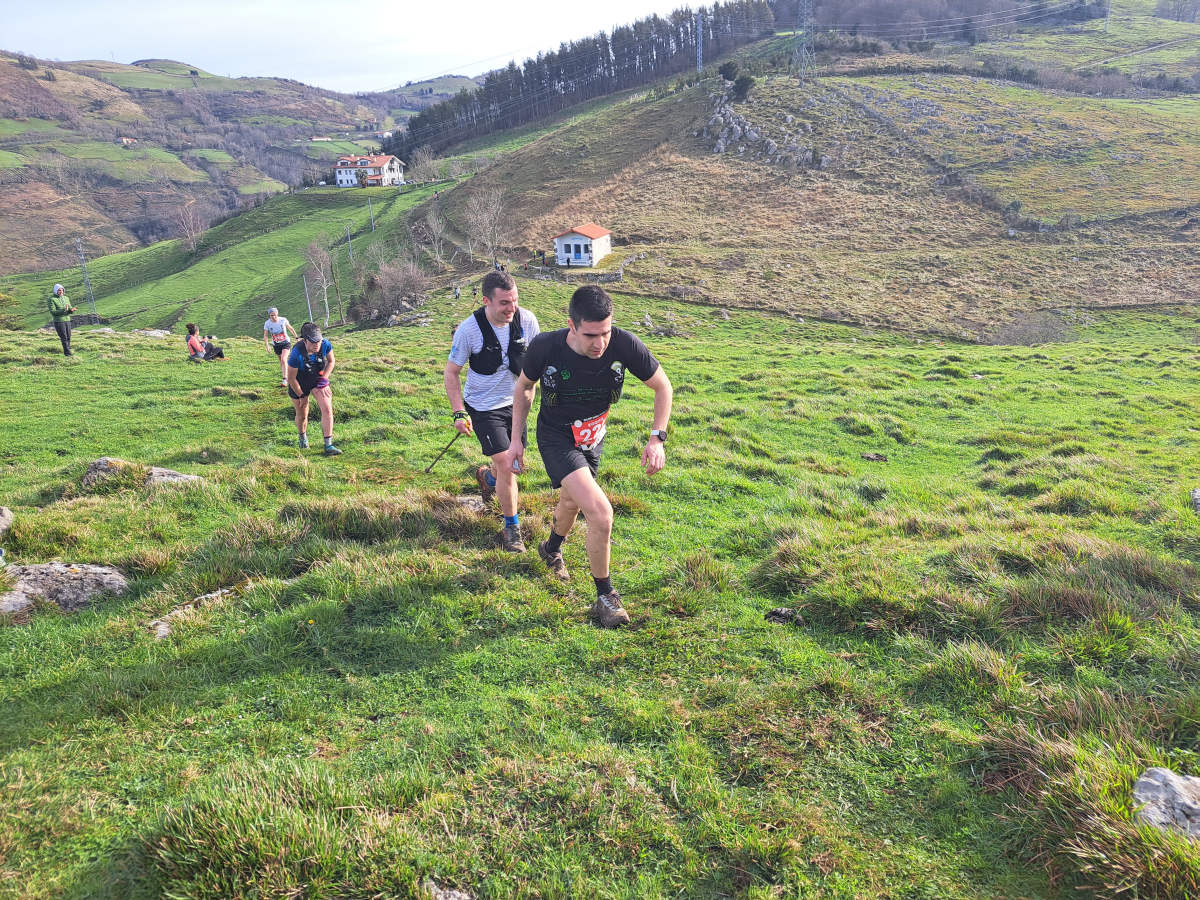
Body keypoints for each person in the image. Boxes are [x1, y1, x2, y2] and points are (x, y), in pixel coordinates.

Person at [504, 285, 672, 628]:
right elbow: (523, 386)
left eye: (606, 333)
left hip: (593, 435)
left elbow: (662, 387)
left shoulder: (624, 343)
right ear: (572, 325)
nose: (600, 343)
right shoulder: (545, 347)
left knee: (571, 501)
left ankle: (550, 549)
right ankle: (605, 596)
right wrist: (516, 439)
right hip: (556, 436)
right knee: (601, 513)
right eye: (591, 335)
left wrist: (657, 438)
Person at [444, 271, 540, 553]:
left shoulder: (527, 321)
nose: (511, 308)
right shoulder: (468, 330)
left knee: (511, 467)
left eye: (515, 301)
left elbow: (539, 360)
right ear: (486, 300)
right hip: (483, 406)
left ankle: (487, 479)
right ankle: (512, 529)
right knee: (508, 463)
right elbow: (451, 373)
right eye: (504, 303)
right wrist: (459, 412)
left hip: (518, 404)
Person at [287, 322, 341, 455]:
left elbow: (331, 361)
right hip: (300, 382)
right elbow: (291, 379)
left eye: (319, 341)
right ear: (305, 340)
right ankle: (302, 437)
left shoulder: (325, 344)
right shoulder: (296, 354)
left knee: (327, 408)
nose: (317, 344)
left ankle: (328, 446)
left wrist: (325, 378)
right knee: (302, 414)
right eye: (313, 342)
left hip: (318, 378)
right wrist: (301, 396)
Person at [263, 307, 298, 387]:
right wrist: (267, 345)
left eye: (275, 315)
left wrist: (296, 338)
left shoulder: (283, 320)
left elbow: (291, 328)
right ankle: (290, 373)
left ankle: (285, 379)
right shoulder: (267, 323)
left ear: (277, 314)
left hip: (286, 343)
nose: (274, 317)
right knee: (282, 362)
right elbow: (265, 335)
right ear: (269, 315)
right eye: (272, 315)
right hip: (276, 345)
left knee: (283, 359)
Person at [47, 284, 77, 356]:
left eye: (62, 290)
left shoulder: (66, 298)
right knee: (64, 337)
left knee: (69, 336)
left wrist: (72, 310)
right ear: (55, 291)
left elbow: (69, 309)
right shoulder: (51, 299)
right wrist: (63, 310)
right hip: (59, 321)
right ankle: (68, 353)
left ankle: (68, 350)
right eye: (59, 290)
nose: (61, 292)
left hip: (67, 320)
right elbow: (53, 312)